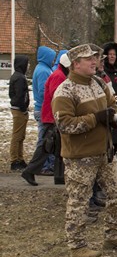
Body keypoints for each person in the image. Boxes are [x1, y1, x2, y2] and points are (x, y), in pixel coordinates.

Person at [52, 43, 117, 257]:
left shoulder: (98, 83)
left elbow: (112, 108)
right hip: (80, 157)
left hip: (104, 152)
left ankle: (112, 235)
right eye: (89, 59)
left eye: (95, 58)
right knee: (79, 201)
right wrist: (95, 118)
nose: (95, 62)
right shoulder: (65, 90)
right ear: (76, 64)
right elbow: (65, 125)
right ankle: (77, 246)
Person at [21, 50, 69, 186]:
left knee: (55, 146)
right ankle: (30, 171)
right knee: (46, 146)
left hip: (53, 115)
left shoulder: (58, 74)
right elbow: (57, 97)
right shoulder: (58, 76)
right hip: (51, 116)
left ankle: (59, 176)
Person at [32, 45, 57, 173]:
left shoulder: (43, 68)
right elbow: (43, 91)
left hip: (41, 107)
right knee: (45, 139)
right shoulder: (43, 71)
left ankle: (43, 165)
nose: (53, 60)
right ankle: (43, 166)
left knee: (45, 138)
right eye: (52, 57)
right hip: (43, 108)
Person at [9, 55, 30, 171]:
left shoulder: (18, 76)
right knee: (17, 136)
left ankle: (20, 158)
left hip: (19, 109)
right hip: (19, 110)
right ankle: (14, 160)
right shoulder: (19, 78)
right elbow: (19, 95)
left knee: (21, 136)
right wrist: (23, 108)